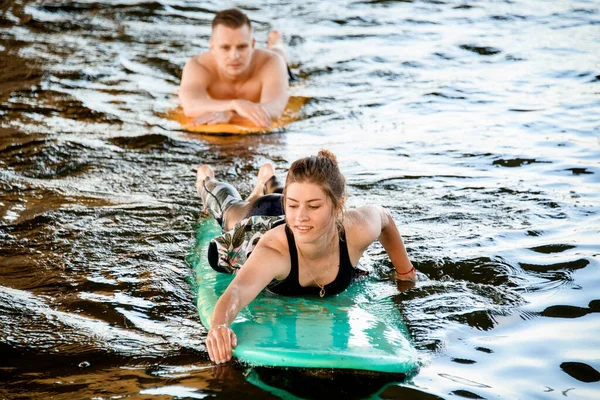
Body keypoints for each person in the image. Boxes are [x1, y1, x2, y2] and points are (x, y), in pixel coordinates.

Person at [195, 150, 417, 364]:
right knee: (231, 211)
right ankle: (208, 179)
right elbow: (237, 291)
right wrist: (219, 325)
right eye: (293, 205)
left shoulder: (357, 229)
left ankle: (268, 179)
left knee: (298, 199)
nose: (301, 216)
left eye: (314, 206)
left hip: (289, 211)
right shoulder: (275, 251)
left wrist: (405, 272)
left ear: (338, 205)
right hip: (257, 220)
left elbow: (384, 218)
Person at [179, 8, 291, 128]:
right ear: (212, 47)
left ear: (252, 45)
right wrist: (235, 105)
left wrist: (230, 115)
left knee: (278, 54)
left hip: (274, 63)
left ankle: (275, 42)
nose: (234, 56)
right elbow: (190, 106)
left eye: (242, 47)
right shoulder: (198, 66)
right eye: (225, 47)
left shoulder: (271, 63)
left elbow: (275, 108)